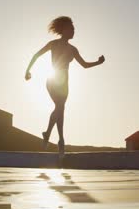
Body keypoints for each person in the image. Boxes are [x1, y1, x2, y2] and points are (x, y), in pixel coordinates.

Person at [25, 16, 105, 159]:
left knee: (60, 109)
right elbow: (36, 55)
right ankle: (60, 140)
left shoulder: (73, 49)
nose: (74, 31)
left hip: (65, 83)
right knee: (60, 107)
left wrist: (98, 63)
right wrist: (28, 71)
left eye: (74, 29)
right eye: (72, 29)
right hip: (53, 80)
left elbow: (85, 65)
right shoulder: (53, 44)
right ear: (64, 30)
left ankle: (50, 134)